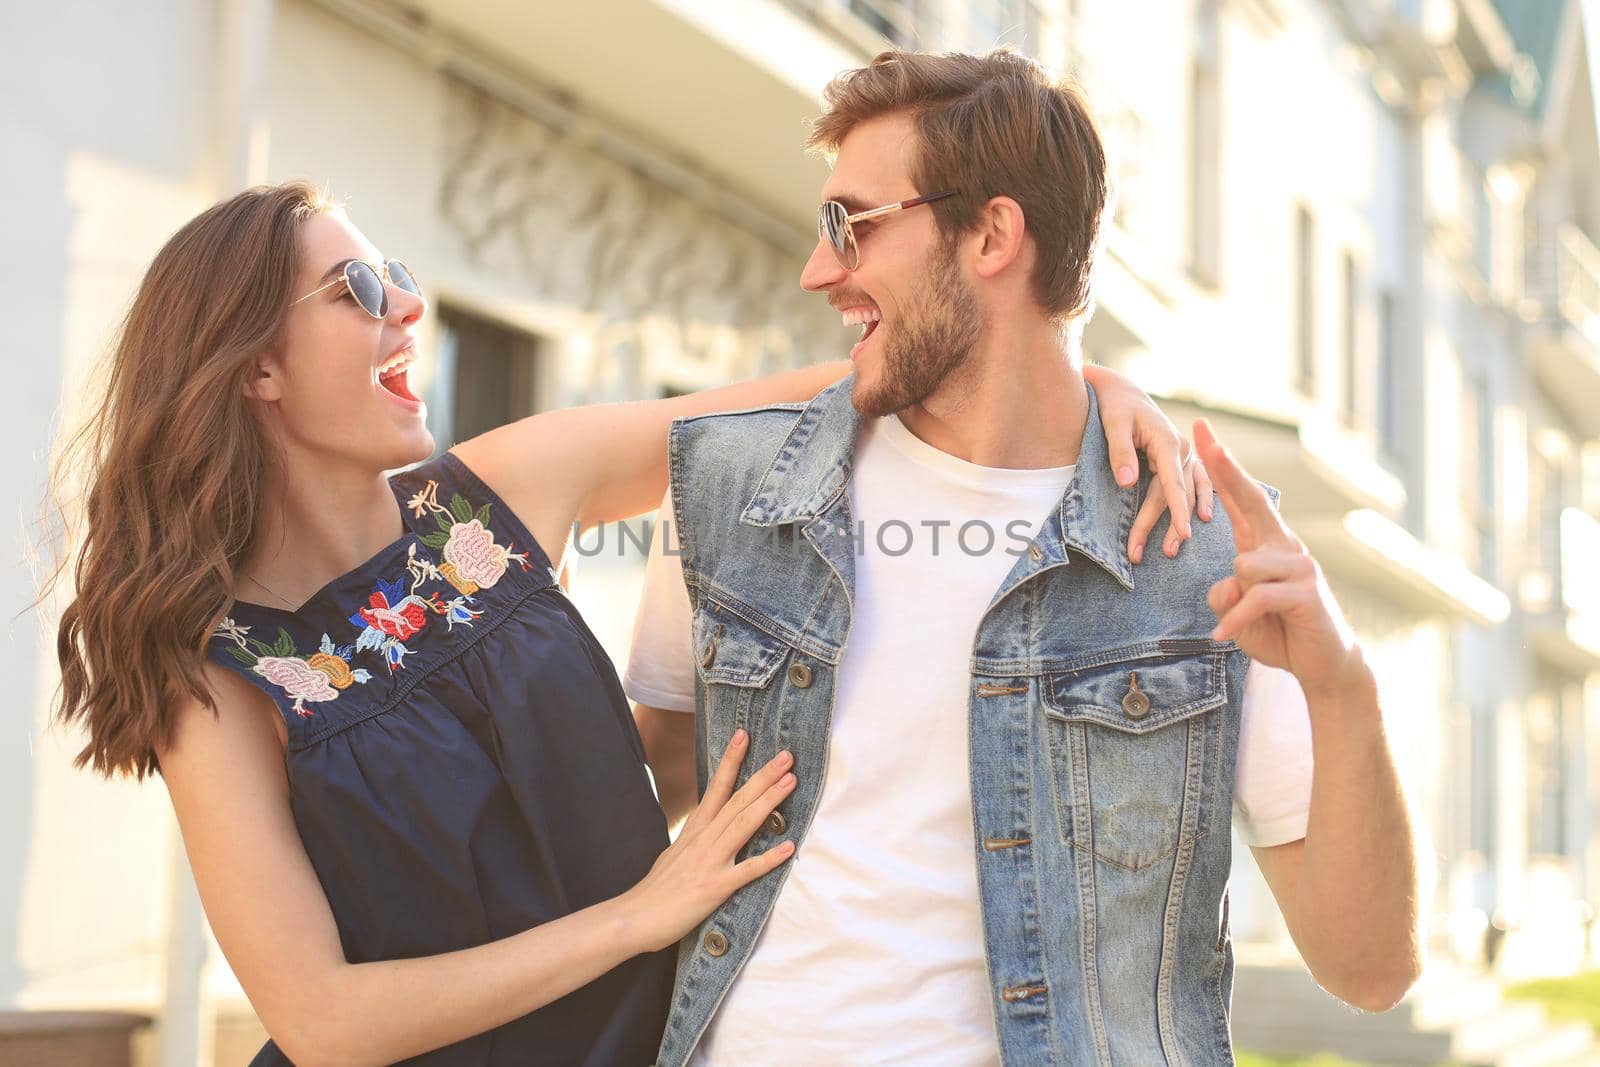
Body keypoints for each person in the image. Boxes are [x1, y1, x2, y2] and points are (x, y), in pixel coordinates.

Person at [46, 180, 1201, 1065]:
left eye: (394, 272)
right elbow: (321, 1018)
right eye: (355, 290)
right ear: (255, 368)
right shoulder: (228, 673)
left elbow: (833, 397)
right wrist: (637, 917)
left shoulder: (493, 499)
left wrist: (1086, 388)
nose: (408, 304)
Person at [625, 50, 1424, 1067]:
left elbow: (1370, 968)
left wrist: (1344, 686)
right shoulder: (728, 492)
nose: (818, 269)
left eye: (852, 226)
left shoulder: (1211, 549)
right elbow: (628, 804)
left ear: (992, 234)